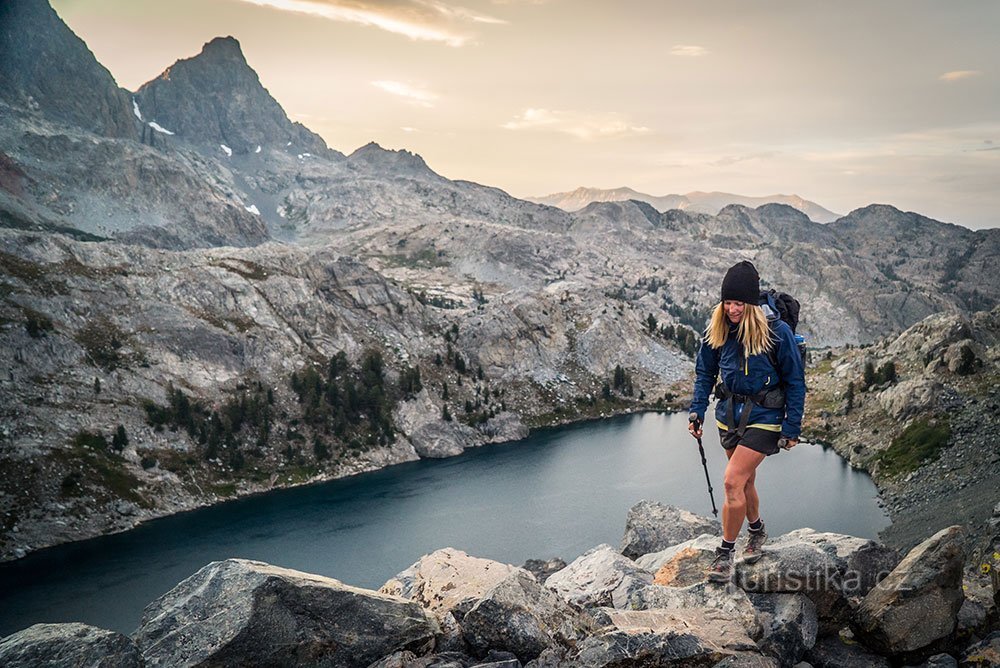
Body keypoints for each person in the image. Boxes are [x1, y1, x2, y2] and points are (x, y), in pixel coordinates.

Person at [687, 260, 806, 583]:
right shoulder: (719, 330)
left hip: (766, 417)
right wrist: (697, 409)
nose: (733, 309)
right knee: (745, 481)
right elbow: (705, 374)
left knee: (730, 482)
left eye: (739, 303)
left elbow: (795, 381)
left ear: (751, 304)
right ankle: (756, 531)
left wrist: (792, 427)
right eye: (728, 302)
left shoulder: (776, 333)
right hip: (728, 416)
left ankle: (725, 554)